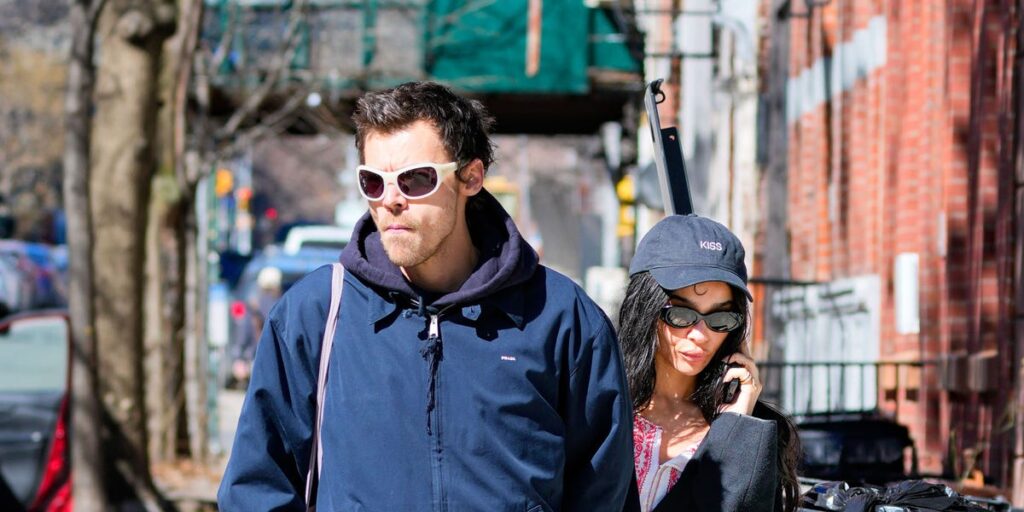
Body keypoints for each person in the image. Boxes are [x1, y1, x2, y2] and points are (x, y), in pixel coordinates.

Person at [218, 81, 634, 511]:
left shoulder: (562, 318)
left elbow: (606, 493)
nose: (391, 200)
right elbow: (256, 490)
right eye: (373, 182)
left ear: (471, 177)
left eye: (416, 179)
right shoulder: (316, 314)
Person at [617, 214, 801, 512]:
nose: (701, 335)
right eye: (681, 314)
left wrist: (735, 426)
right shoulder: (602, 407)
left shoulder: (753, 429)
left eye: (720, 317)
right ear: (644, 309)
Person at [228, 265, 283, 388]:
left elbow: (243, 330)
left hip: (257, 358)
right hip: (279, 361)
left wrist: (239, 356)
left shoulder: (253, 304)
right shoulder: (284, 305)